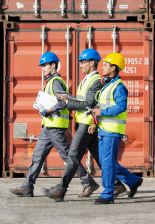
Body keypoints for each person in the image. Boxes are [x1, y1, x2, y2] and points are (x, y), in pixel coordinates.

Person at [40, 48, 126, 202]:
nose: (80, 65)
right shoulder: (86, 79)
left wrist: (68, 102)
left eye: (83, 62)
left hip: (87, 125)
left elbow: (89, 103)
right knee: (100, 158)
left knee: (72, 156)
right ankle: (118, 184)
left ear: (92, 63)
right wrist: (69, 99)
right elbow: (82, 101)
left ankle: (61, 189)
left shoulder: (96, 81)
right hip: (83, 124)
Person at [8, 52, 96, 197]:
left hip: (55, 127)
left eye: (45, 65)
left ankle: (88, 182)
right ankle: (27, 187)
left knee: (68, 157)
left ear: (53, 65)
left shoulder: (56, 82)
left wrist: (48, 111)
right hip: (47, 128)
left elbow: (63, 102)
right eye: (41, 66)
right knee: (37, 157)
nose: (42, 68)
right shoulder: (51, 81)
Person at [91, 52, 143, 205]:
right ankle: (133, 181)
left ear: (113, 68)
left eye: (106, 65)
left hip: (112, 131)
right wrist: (96, 121)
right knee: (107, 161)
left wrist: (102, 112)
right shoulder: (108, 85)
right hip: (104, 129)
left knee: (107, 162)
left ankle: (108, 194)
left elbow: (120, 107)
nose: (103, 67)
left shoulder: (119, 87)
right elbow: (102, 107)